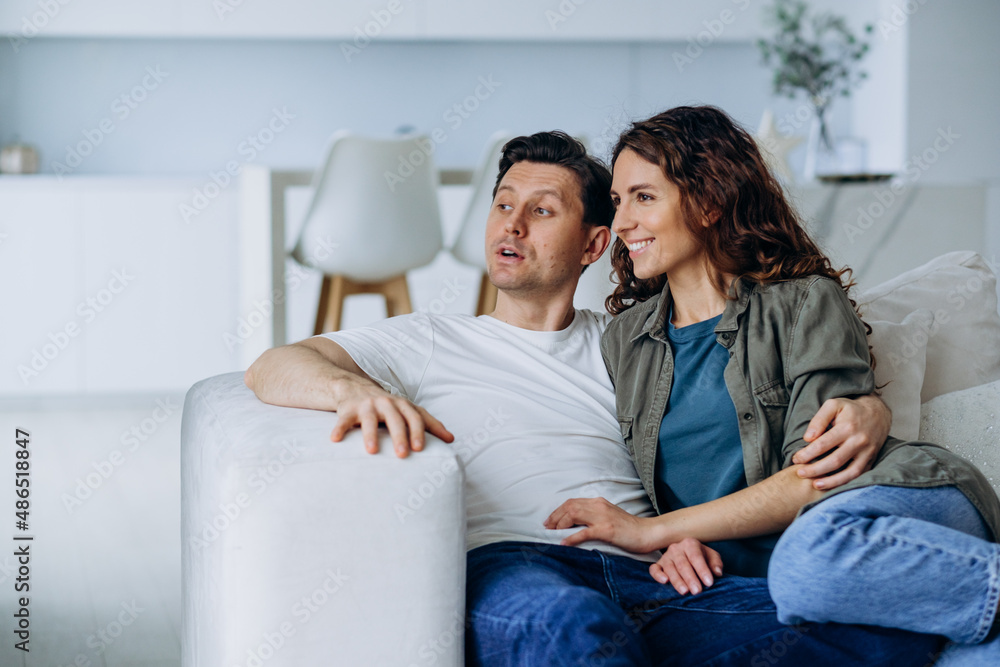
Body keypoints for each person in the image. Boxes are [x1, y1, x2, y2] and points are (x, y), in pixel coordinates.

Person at [244, 130, 941, 665]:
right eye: (503, 204)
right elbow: (271, 367)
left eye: (541, 211)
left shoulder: (637, 345)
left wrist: (866, 406)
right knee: (574, 630)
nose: (511, 225)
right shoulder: (429, 340)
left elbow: (731, 440)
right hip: (519, 563)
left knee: (863, 627)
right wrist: (350, 388)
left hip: (660, 571)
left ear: (593, 243)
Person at [544, 106, 1000, 662]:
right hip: (806, 584)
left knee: (808, 561)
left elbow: (815, 480)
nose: (621, 224)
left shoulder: (804, 300)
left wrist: (652, 531)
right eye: (618, 203)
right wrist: (677, 538)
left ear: (709, 201)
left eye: (644, 197)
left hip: (889, 506)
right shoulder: (625, 340)